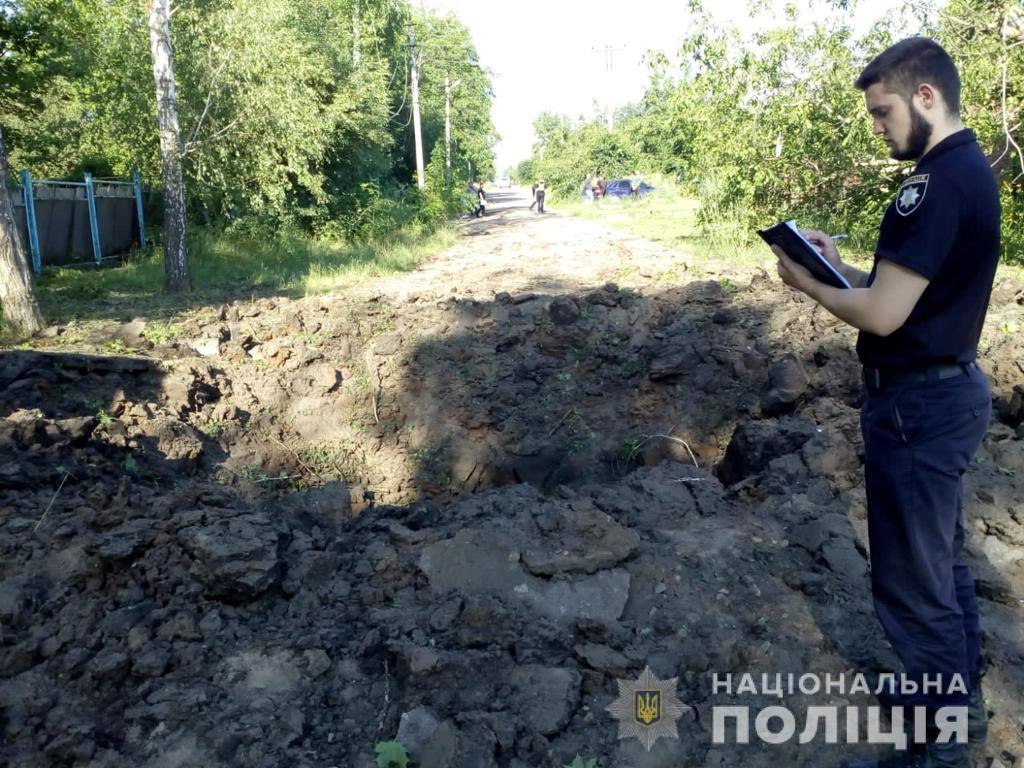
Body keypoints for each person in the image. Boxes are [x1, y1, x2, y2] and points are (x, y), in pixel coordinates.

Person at [770, 37, 998, 768]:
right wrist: (843, 269)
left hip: (916, 410)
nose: (880, 128)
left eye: (884, 112)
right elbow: (904, 291)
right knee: (943, 563)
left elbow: (881, 317)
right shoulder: (971, 171)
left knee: (911, 581)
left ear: (926, 96)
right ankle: (955, 696)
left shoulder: (927, 187)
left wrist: (809, 283)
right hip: (947, 393)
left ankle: (938, 746)